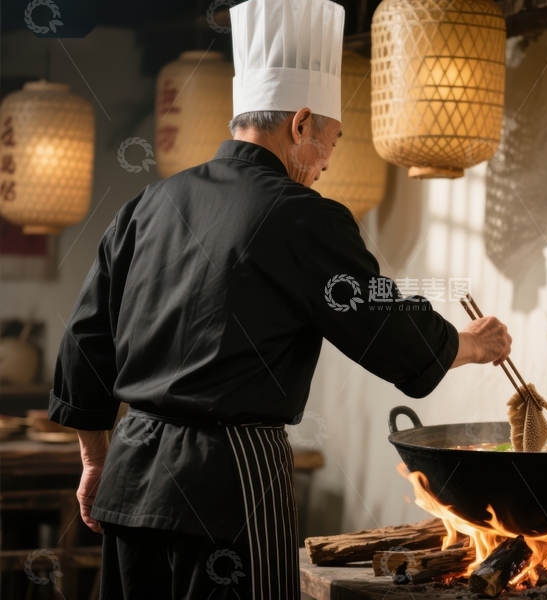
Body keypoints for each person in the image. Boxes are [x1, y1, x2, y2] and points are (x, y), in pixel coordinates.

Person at [48, 0, 513, 597]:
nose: (324, 165)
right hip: (229, 482)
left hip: (132, 480)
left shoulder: (151, 205)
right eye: (332, 143)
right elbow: (384, 322)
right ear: (300, 124)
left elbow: (85, 339)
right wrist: (471, 346)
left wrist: (93, 460)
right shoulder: (300, 217)